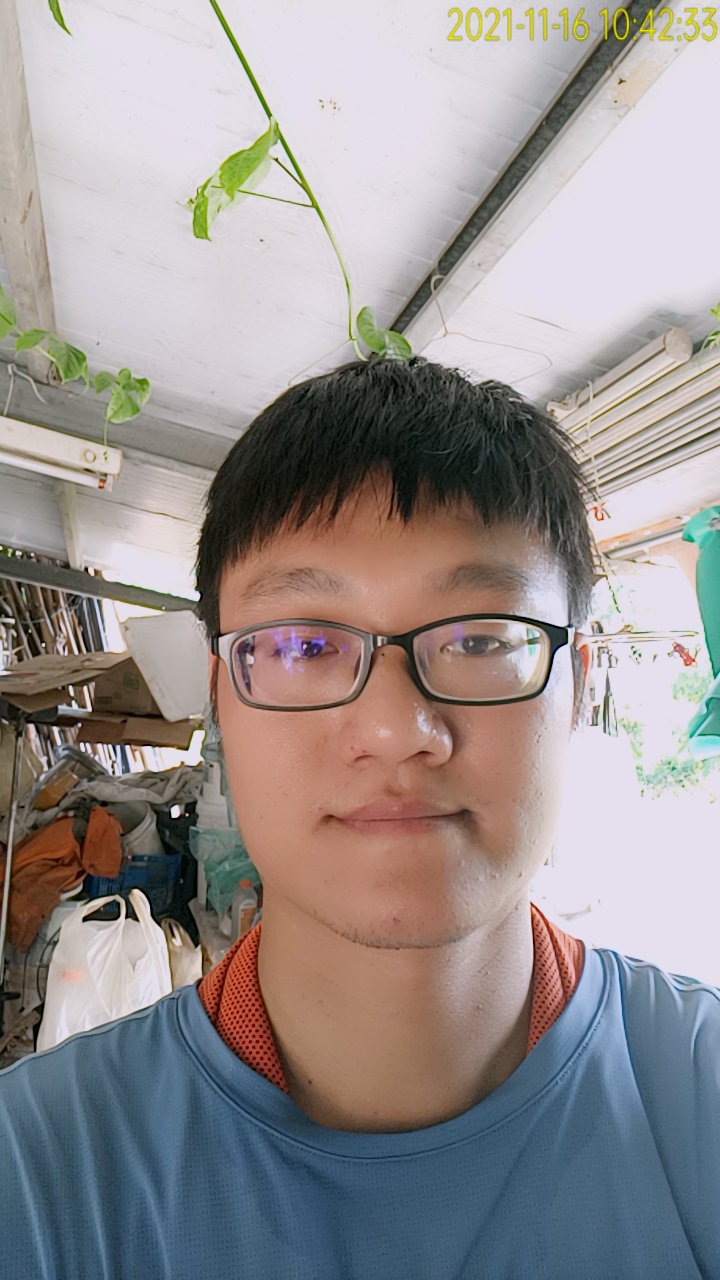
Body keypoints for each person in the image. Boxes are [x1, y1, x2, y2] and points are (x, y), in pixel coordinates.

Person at [1, 358, 718, 1279]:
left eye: (479, 638)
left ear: (577, 688)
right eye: (304, 644)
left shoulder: (697, 1100)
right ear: (221, 700)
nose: (393, 731)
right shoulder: (39, 1178)